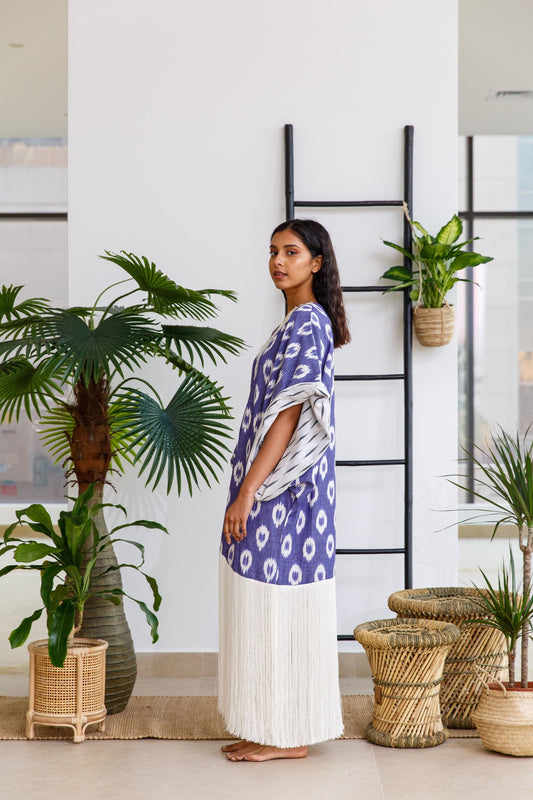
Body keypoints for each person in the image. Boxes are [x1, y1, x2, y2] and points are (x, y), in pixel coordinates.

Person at [218, 218, 351, 762]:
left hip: (286, 491)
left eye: (291, 252)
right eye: (273, 251)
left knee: (277, 603)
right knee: (267, 603)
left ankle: (289, 736)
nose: (278, 261)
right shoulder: (297, 321)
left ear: (315, 263)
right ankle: (271, 726)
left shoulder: (307, 322)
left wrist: (248, 491)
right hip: (280, 486)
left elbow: (290, 414)